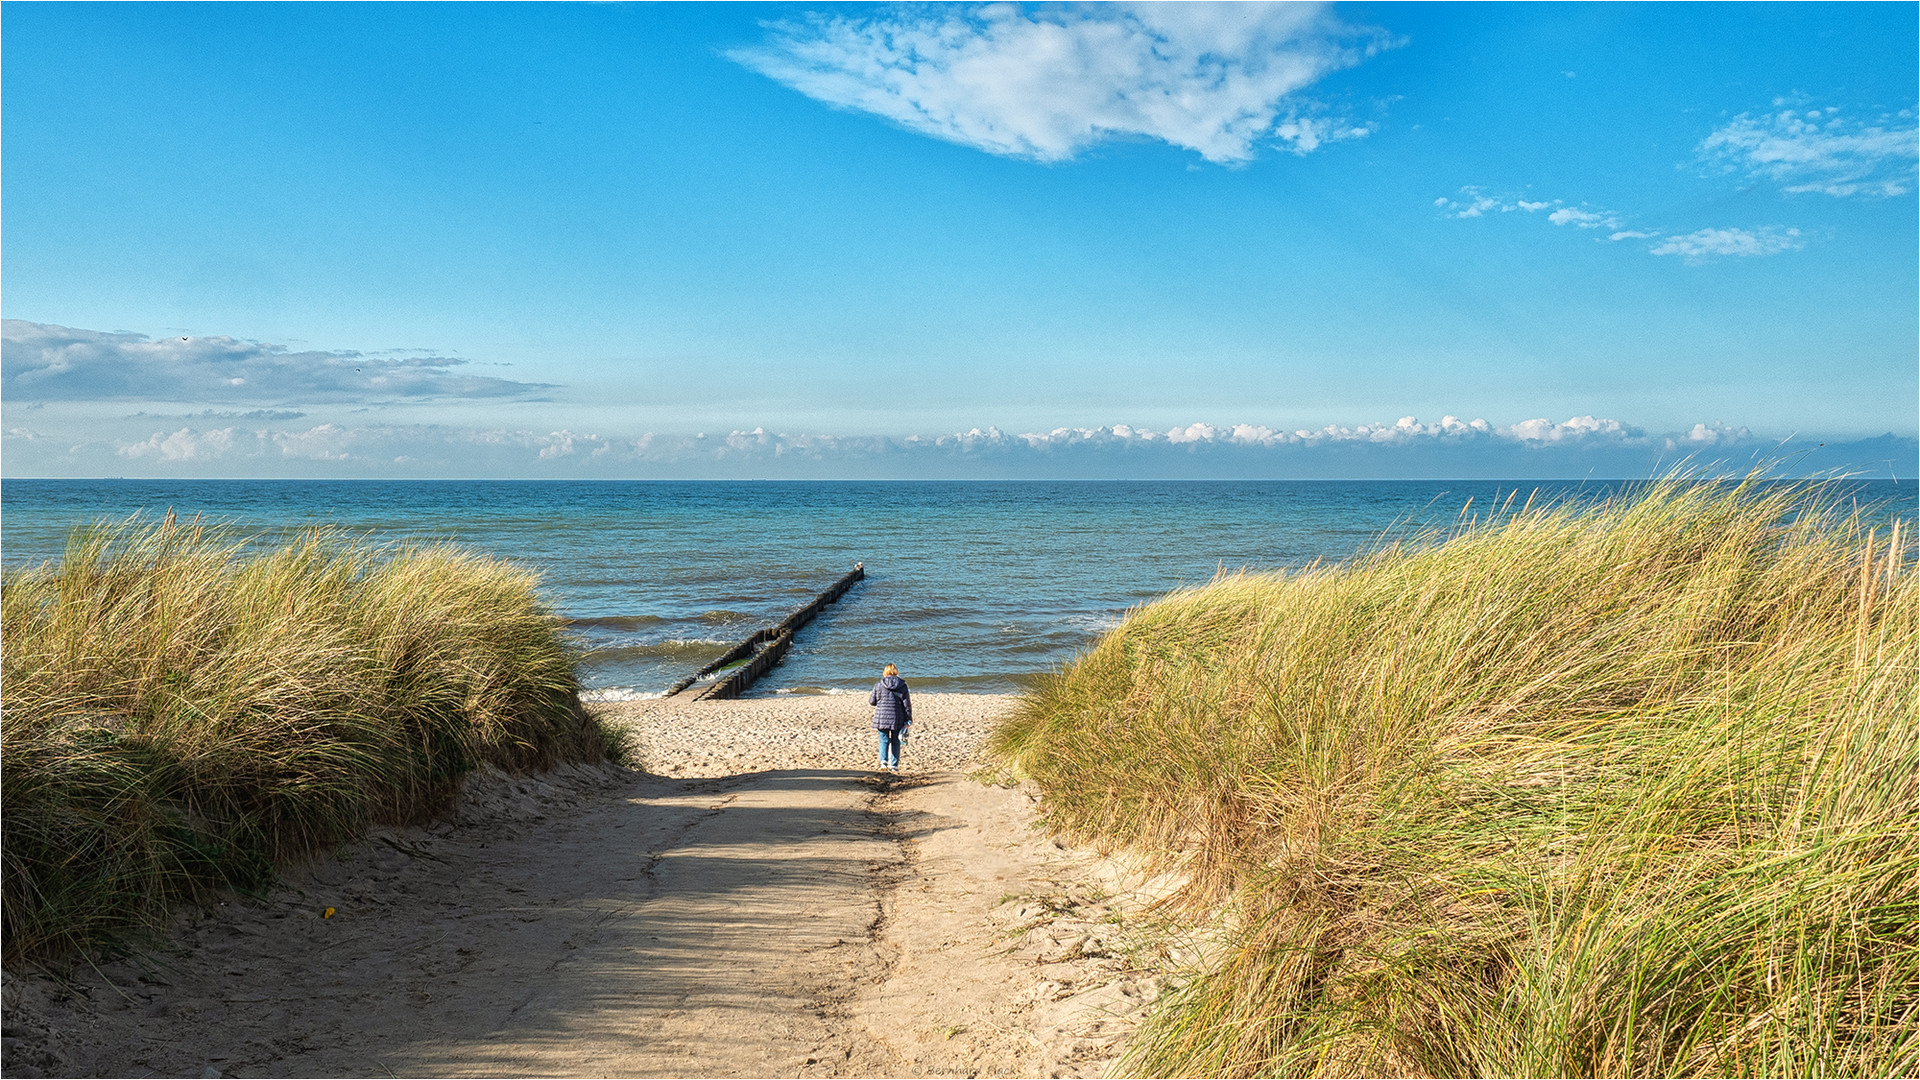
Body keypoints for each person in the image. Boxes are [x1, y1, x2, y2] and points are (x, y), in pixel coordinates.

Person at [869, 663, 912, 772]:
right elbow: (906, 705)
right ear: (896, 672)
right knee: (896, 741)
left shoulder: (879, 685)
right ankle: (894, 765)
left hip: (881, 717)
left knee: (883, 740)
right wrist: (909, 719)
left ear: (885, 672)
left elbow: (872, 702)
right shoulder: (902, 685)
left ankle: (883, 763)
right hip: (897, 717)